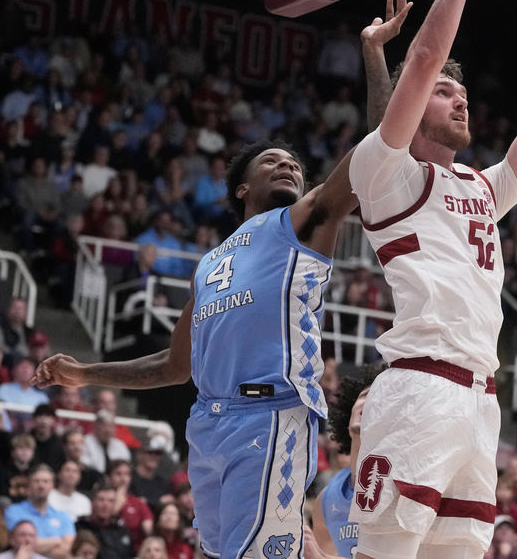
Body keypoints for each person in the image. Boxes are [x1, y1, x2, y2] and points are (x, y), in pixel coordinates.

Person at [346, 0, 517, 559]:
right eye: (447, 94)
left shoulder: (483, 186)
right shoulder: (384, 174)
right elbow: (422, 60)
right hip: (420, 389)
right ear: (413, 103)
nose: (461, 101)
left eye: (464, 93)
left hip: (481, 401)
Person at [34, 134, 363, 559]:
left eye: (294, 163)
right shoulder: (208, 265)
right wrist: (85, 374)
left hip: (269, 415)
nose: (288, 166)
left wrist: (380, 65)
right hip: (209, 423)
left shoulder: (303, 223)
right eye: (271, 161)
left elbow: (375, 153)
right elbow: (174, 366)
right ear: (241, 188)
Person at [311, 365, 385, 558]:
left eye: (379, 399)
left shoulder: (401, 492)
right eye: (364, 395)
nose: (368, 402)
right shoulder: (326, 500)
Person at [2, 464, 76, 559]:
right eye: (36, 481)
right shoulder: (13, 511)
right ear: (29, 485)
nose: (41, 485)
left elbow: (68, 549)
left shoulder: (63, 516)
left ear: (52, 486)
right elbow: (18, 544)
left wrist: (35, 547)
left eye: (45, 481)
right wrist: (56, 540)